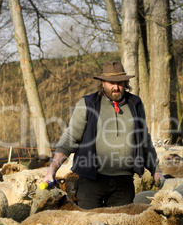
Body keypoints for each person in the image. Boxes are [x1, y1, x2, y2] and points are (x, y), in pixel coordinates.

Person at [43, 61, 165, 209]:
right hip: (91, 181)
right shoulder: (88, 104)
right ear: (102, 83)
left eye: (120, 82)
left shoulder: (135, 104)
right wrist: (52, 171)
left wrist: (156, 171)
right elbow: (70, 139)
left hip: (123, 182)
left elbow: (144, 141)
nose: (116, 87)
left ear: (125, 82)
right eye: (111, 83)